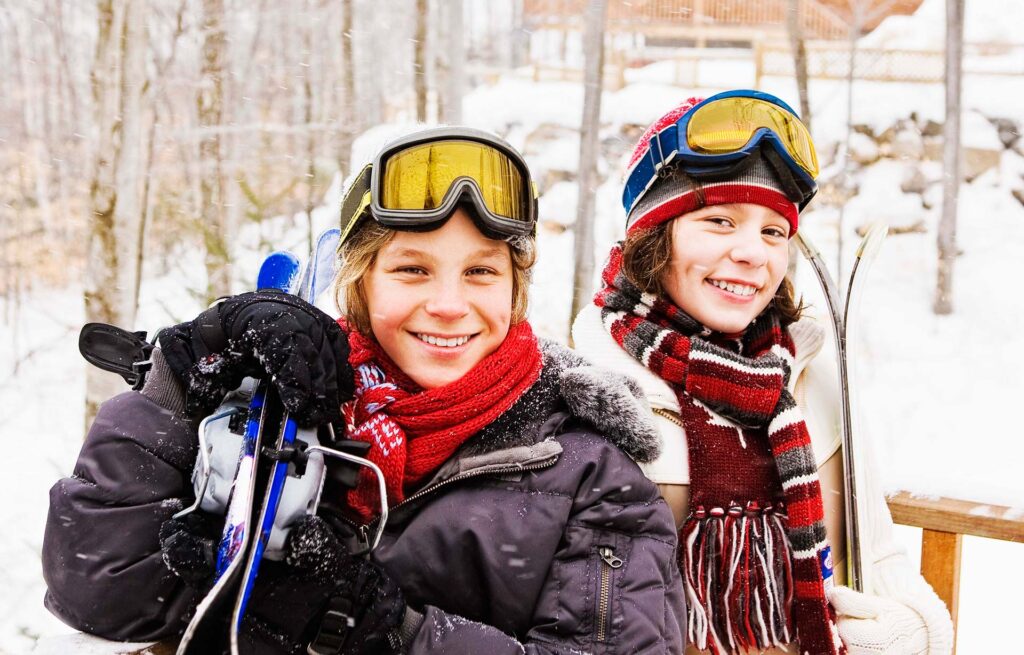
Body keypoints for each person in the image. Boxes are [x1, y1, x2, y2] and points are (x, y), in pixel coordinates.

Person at [42, 126, 686, 654]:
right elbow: (97, 592)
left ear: (515, 294)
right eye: (412, 269)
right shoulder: (269, 403)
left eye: (481, 272)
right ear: (361, 283)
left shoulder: (588, 472)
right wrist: (178, 387)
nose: (448, 304)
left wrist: (387, 633)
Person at [571, 92, 953, 655]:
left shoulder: (813, 376)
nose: (753, 253)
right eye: (719, 221)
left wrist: (910, 634)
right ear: (654, 238)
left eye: (774, 231)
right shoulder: (589, 392)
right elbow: (570, 621)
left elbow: (881, 559)